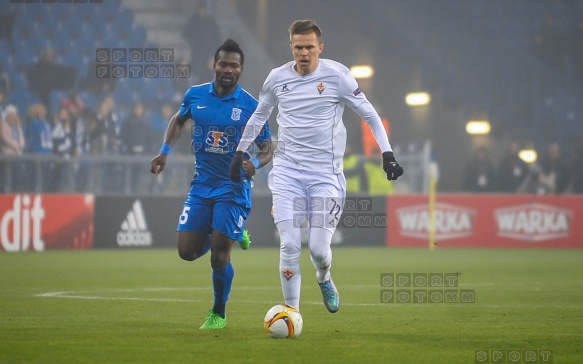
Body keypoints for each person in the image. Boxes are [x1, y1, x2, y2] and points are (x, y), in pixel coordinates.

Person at [229, 20, 403, 314]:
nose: (304, 53)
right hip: (286, 173)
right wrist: (239, 151)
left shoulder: (338, 77)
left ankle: (324, 277)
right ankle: (292, 312)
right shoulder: (276, 79)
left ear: (320, 48)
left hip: (326, 176)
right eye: (298, 47)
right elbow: (259, 116)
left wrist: (387, 153)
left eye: (310, 47)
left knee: (320, 250)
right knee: (289, 245)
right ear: (291, 48)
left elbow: (371, 115)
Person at [150, 39, 273, 329]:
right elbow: (178, 121)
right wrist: (164, 152)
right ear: (214, 65)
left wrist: (254, 165)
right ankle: (232, 231)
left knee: (219, 253)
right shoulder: (195, 95)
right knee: (186, 252)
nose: (228, 69)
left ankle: (218, 313)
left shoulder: (252, 107)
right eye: (223, 63)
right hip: (202, 185)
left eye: (234, 65)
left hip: (233, 187)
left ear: (241, 69)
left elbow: (268, 148)